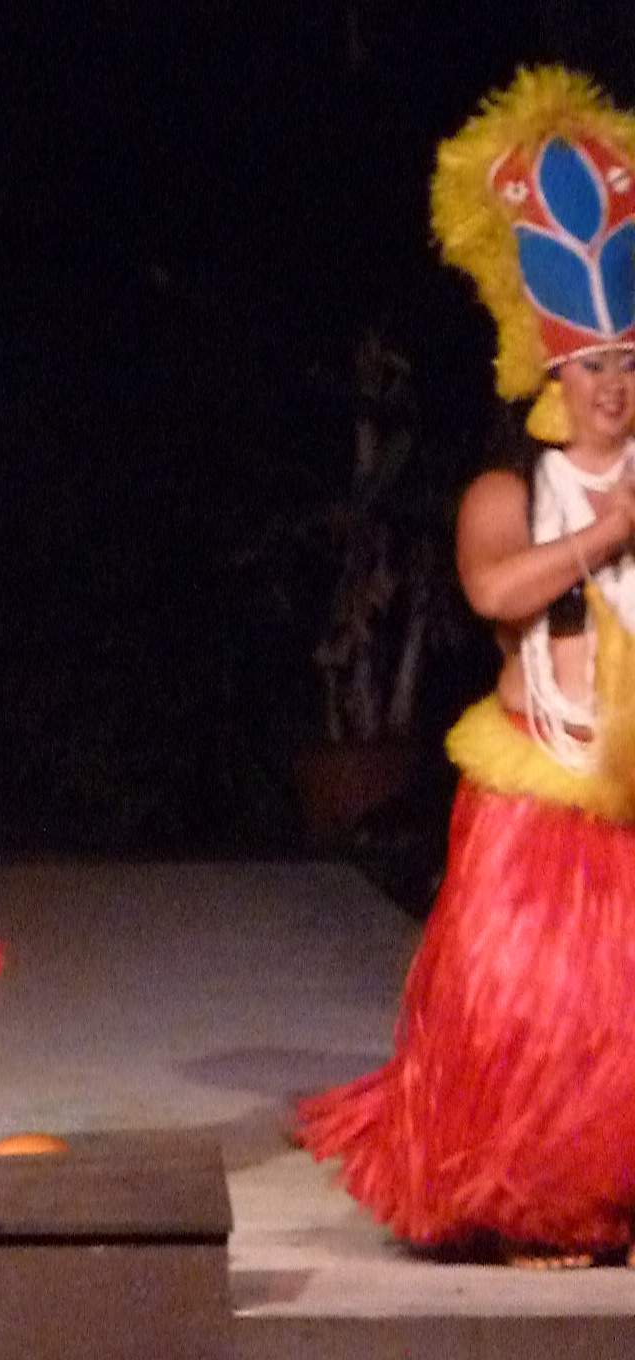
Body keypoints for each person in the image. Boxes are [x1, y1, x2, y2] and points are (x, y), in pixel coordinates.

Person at [299, 67, 635, 1263]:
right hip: (540, 793)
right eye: (592, 364)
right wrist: (607, 528)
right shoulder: (511, 490)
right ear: (547, 376)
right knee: (533, 1014)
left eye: (631, 362)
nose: (614, 385)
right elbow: (494, 588)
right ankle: (533, 1199)